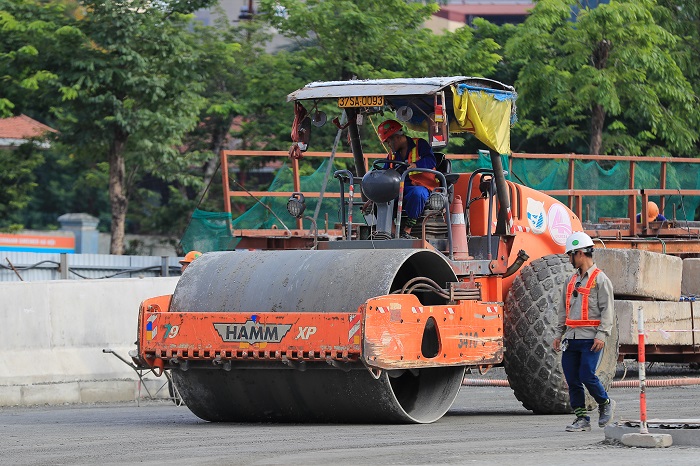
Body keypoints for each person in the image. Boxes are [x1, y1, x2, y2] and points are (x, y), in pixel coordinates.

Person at [552, 232, 615, 432]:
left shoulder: (601, 280)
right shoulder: (570, 281)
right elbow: (563, 310)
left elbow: (608, 310)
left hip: (591, 339)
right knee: (572, 379)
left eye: (570, 255)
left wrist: (602, 335)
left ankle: (605, 403)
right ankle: (582, 419)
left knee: (586, 375)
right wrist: (558, 334)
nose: (569, 259)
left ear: (580, 253)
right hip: (571, 338)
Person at [377, 119, 439, 239]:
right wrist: (372, 197)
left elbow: (431, 160)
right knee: (380, 198)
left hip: (420, 186)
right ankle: (392, 231)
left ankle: (407, 230)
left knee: (417, 194)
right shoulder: (392, 154)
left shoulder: (420, 144)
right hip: (399, 189)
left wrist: (416, 165)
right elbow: (384, 174)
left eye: (389, 141)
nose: (388, 145)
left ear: (396, 137)